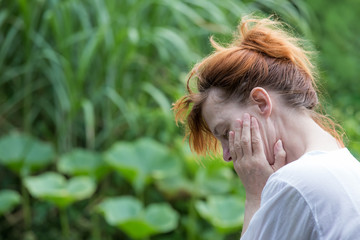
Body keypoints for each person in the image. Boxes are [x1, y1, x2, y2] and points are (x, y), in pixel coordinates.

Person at [173, 16, 360, 239]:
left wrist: (257, 195)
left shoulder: (295, 184)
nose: (226, 154)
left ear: (261, 102)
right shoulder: (348, 167)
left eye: (225, 132)